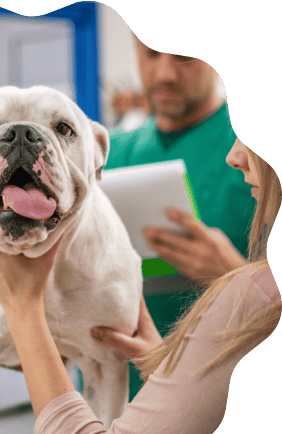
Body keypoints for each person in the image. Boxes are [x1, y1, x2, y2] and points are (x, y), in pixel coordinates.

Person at [0, 139, 281, 434]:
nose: (233, 156)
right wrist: (180, 373)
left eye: (253, 132)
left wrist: (21, 307)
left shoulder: (256, 294)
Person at [105, 37, 257, 399]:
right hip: (116, 394)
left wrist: (231, 276)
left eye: (185, 56)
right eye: (151, 53)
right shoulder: (108, 154)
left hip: (223, 393)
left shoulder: (254, 153)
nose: (165, 74)